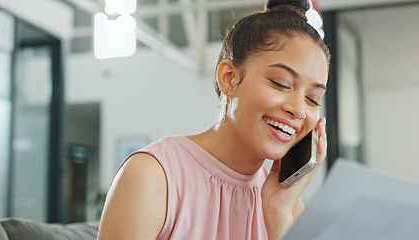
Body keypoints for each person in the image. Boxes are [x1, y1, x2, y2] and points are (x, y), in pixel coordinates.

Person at [97, 0, 330, 239]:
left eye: (313, 99)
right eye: (281, 84)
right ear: (229, 78)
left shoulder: (288, 205)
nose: (299, 110)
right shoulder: (151, 177)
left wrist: (278, 213)